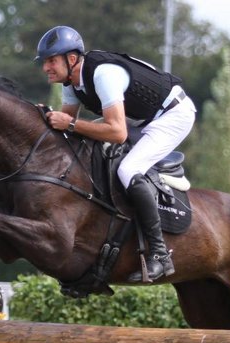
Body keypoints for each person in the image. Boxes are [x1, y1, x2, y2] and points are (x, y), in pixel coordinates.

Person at [35, 25, 196, 283]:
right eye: (45, 62)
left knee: (128, 169)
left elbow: (117, 132)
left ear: (71, 59)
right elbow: (66, 124)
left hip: (173, 115)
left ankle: (160, 254)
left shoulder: (103, 75)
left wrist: (71, 125)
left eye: (51, 61)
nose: (46, 68)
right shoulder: (71, 82)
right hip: (142, 118)